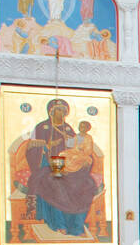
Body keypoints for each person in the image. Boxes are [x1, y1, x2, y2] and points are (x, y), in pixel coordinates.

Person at [23, 98, 99, 237]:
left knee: (86, 185)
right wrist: (48, 145)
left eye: (64, 111)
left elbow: (77, 147)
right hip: (48, 165)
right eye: (58, 110)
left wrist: (84, 159)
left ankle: (76, 227)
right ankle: (60, 224)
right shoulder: (41, 127)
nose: (61, 113)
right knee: (56, 186)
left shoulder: (68, 128)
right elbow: (31, 150)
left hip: (70, 166)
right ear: (51, 111)